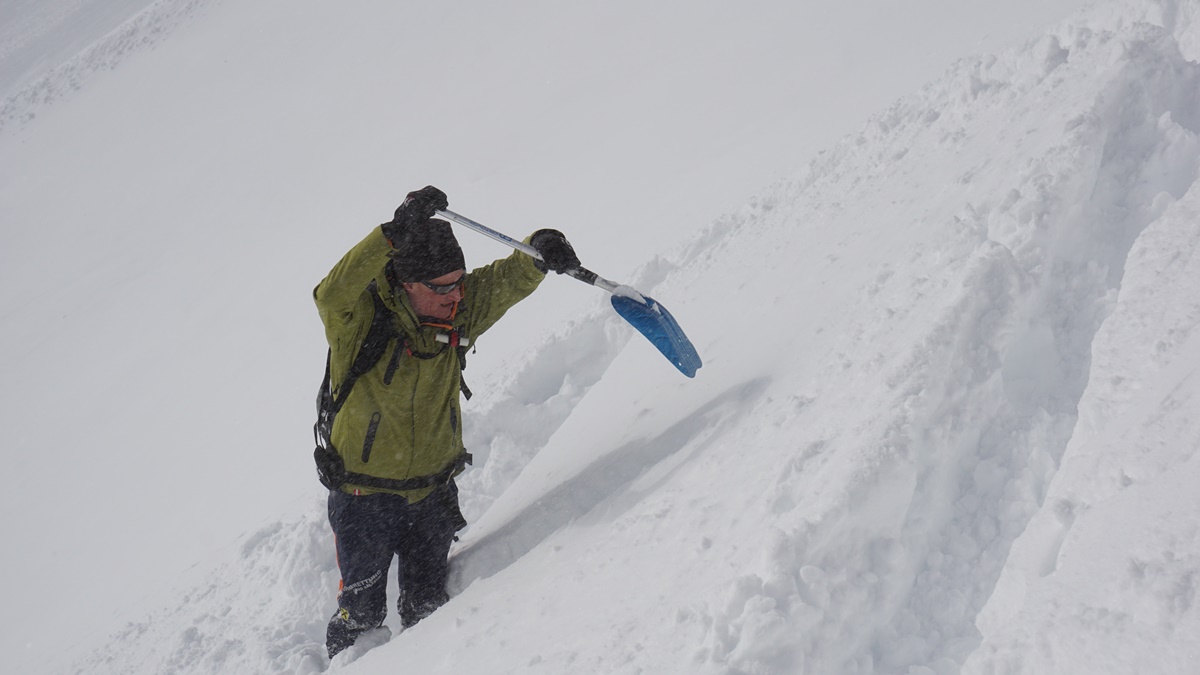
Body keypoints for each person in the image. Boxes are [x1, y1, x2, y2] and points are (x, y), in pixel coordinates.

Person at [313, 186, 580, 658]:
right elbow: (330, 293)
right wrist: (392, 235)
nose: (456, 294)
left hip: (433, 494)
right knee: (362, 615)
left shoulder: (457, 312)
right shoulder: (359, 322)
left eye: (458, 282)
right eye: (441, 287)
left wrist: (541, 248)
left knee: (430, 607)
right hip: (365, 497)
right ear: (405, 283)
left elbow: (507, 277)